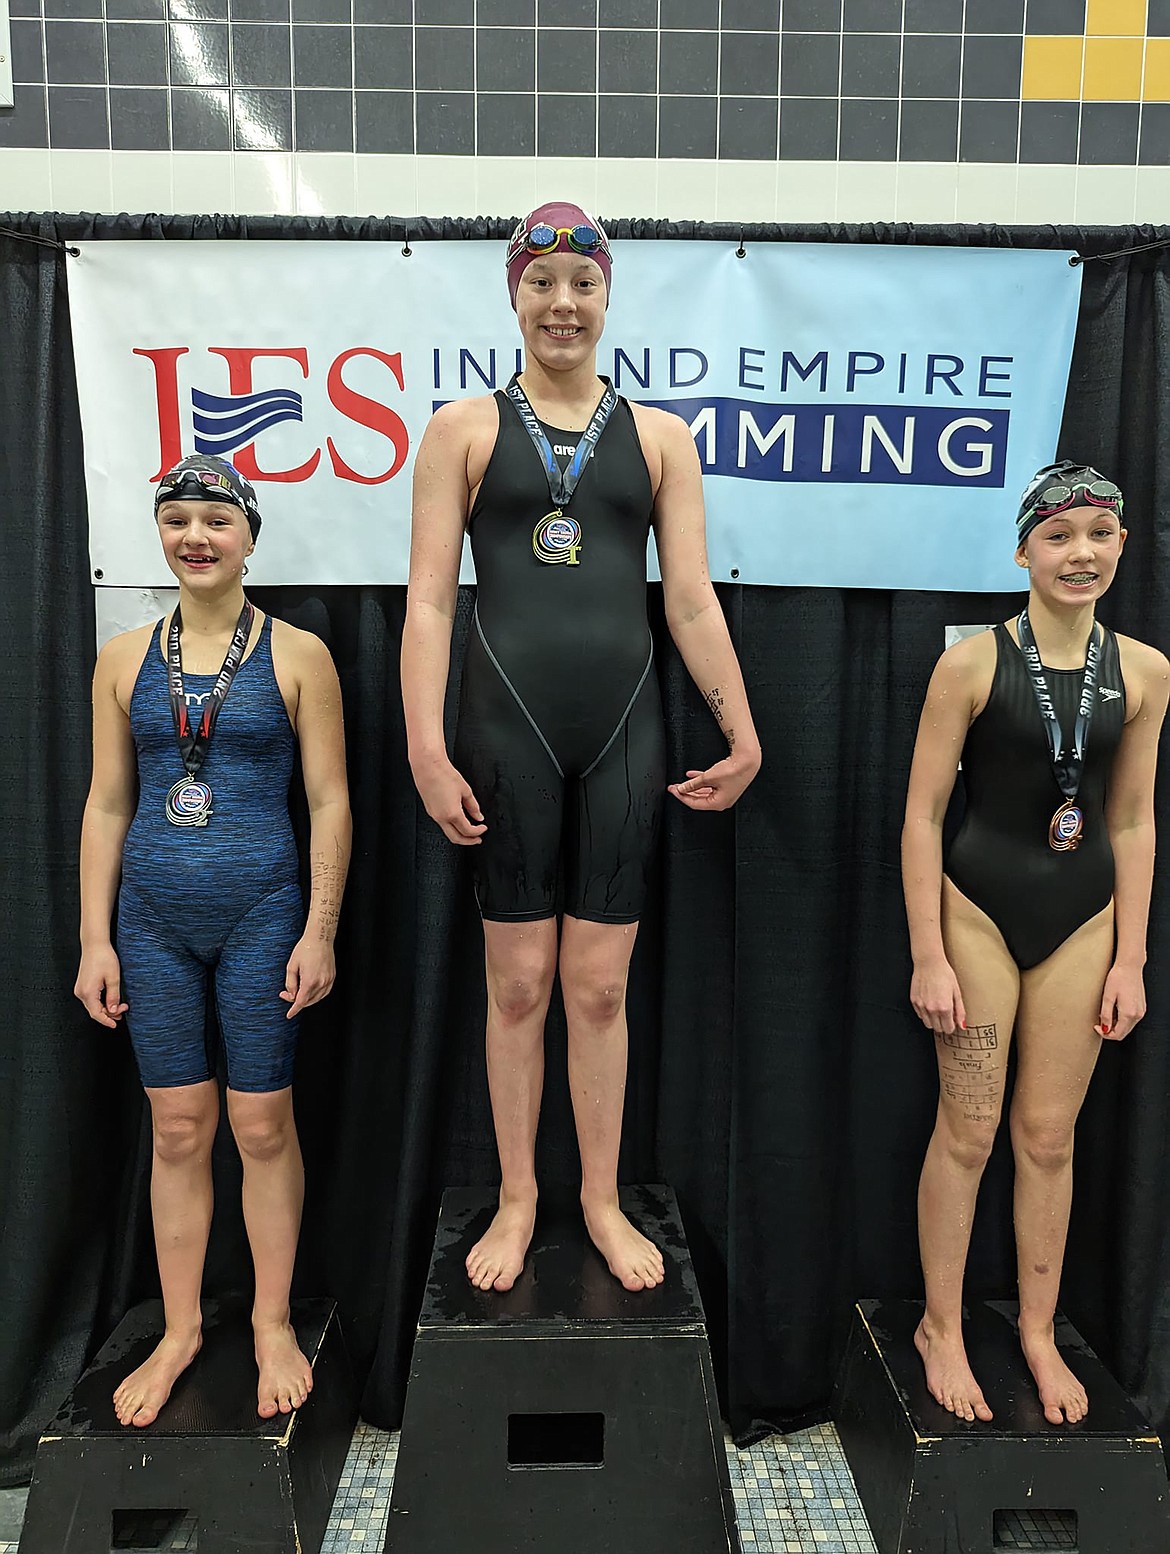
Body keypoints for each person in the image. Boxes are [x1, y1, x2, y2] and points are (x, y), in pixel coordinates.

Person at [402, 203, 761, 1294]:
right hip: (501, 730)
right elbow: (426, 607)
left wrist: (742, 730)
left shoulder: (660, 439)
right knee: (517, 984)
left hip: (621, 727)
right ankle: (519, 1196)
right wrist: (425, 745)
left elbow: (690, 602)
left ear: (609, 298)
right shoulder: (461, 431)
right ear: (514, 294)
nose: (563, 303)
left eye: (583, 284)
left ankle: (599, 1199)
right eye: (543, 282)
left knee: (598, 990)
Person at [75, 454, 351, 1427]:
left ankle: (272, 1320)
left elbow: (329, 801)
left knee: (261, 1124)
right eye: (177, 518)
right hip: (149, 921)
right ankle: (182, 1327)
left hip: (261, 914)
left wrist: (319, 931)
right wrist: (92, 941)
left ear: (248, 537)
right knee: (179, 1127)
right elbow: (108, 803)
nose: (196, 536)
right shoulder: (121, 659)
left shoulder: (300, 654)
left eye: (216, 520)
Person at [902, 461, 1168, 1425]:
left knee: (1048, 1138)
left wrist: (1132, 957)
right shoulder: (970, 665)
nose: (1080, 553)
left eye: (1099, 534)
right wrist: (929, 951)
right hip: (977, 911)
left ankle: (1038, 1333)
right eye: (1059, 537)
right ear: (1022, 551)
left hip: (1083, 922)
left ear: (1122, 548)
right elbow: (924, 816)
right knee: (969, 1132)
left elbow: (1132, 820)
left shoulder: (1144, 671)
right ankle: (941, 1325)